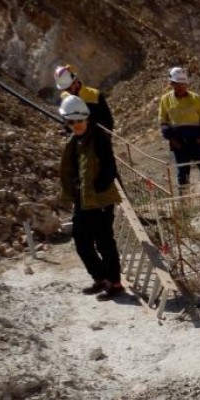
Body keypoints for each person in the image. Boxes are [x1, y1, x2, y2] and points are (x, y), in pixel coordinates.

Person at [58, 95, 125, 301]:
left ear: (86, 119)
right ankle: (100, 278)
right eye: (72, 122)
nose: (76, 125)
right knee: (81, 241)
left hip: (101, 200)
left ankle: (115, 283)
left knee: (104, 242)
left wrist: (98, 188)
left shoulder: (98, 139)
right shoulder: (74, 142)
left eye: (79, 121)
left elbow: (110, 169)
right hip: (82, 200)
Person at [158, 66, 200, 194]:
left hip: (197, 141)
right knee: (182, 172)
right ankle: (184, 200)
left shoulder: (196, 98)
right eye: (177, 84)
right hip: (178, 143)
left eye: (182, 84)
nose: (180, 87)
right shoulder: (165, 100)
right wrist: (172, 140)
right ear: (171, 83)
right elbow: (163, 122)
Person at [54, 64, 115, 131]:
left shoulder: (95, 95)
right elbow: (66, 122)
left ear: (76, 81)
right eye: (65, 89)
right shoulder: (63, 98)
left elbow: (109, 122)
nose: (68, 91)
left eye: (69, 88)